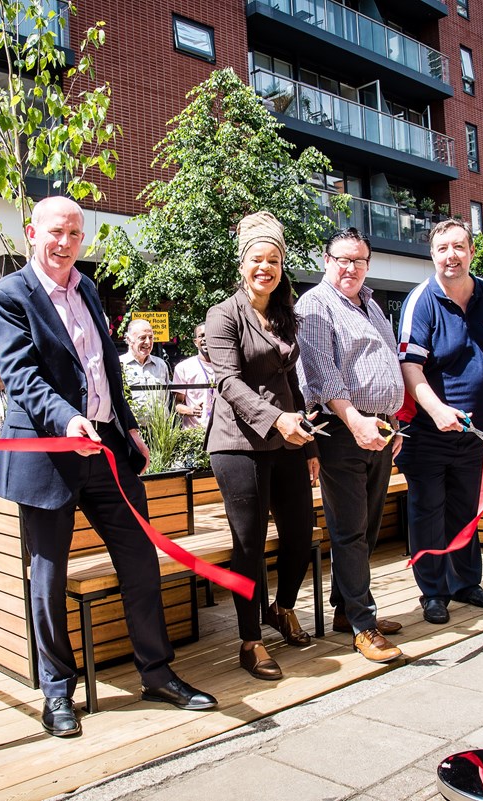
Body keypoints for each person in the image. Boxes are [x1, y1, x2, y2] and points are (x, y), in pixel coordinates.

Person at [0, 196, 215, 738]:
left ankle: (157, 673)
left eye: (74, 234)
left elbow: (104, 365)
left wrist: (128, 423)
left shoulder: (87, 286)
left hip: (106, 450)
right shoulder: (7, 296)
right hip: (50, 455)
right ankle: (57, 692)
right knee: (49, 577)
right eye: (55, 233)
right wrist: (66, 421)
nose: (65, 243)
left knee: (140, 560)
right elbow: (21, 377)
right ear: (31, 232)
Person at [205, 211, 319, 681]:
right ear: (242, 264)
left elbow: (291, 379)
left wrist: (309, 443)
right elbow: (227, 382)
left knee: (300, 533)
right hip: (238, 444)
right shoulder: (223, 314)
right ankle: (250, 641)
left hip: (290, 440)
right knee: (248, 544)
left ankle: (283, 607)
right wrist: (276, 420)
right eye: (257, 259)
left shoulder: (285, 314)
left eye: (274, 260)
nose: (265, 267)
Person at [296, 227, 404, 664]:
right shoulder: (314, 305)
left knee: (371, 523)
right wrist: (357, 421)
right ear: (326, 260)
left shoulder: (373, 304)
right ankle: (363, 624)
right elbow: (322, 374)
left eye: (358, 260)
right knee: (350, 529)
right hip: (343, 429)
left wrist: (390, 423)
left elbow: (387, 365)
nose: (350, 267)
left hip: (379, 429)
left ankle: (347, 608)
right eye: (342, 259)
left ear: (368, 264)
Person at [397, 219, 483, 625]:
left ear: (471, 251)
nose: (450, 256)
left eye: (458, 247)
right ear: (432, 255)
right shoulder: (421, 300)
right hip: (429, 432)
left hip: (476, 433)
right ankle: (433, 591)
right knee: (428, 511)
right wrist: (437, 409)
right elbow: (410, 368)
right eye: (442, 249)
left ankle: (465, 582)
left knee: (467, 508)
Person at [121, 318, 171, 421]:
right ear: (129, 340)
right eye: (142, 338)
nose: (148, 342)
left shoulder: (161, 365)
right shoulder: (119, 365)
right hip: (132, 430)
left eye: (151, 337)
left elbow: (167, 398)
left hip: (159, 431)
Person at [171, 324, 215, 428]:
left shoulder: (225, 366)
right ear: (195, 342)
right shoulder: (184, 368)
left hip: (222, 432)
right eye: (201, 336)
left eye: (209, 335)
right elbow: (177, 405)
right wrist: (191, 410)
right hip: (195, 433)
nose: (205, 339)